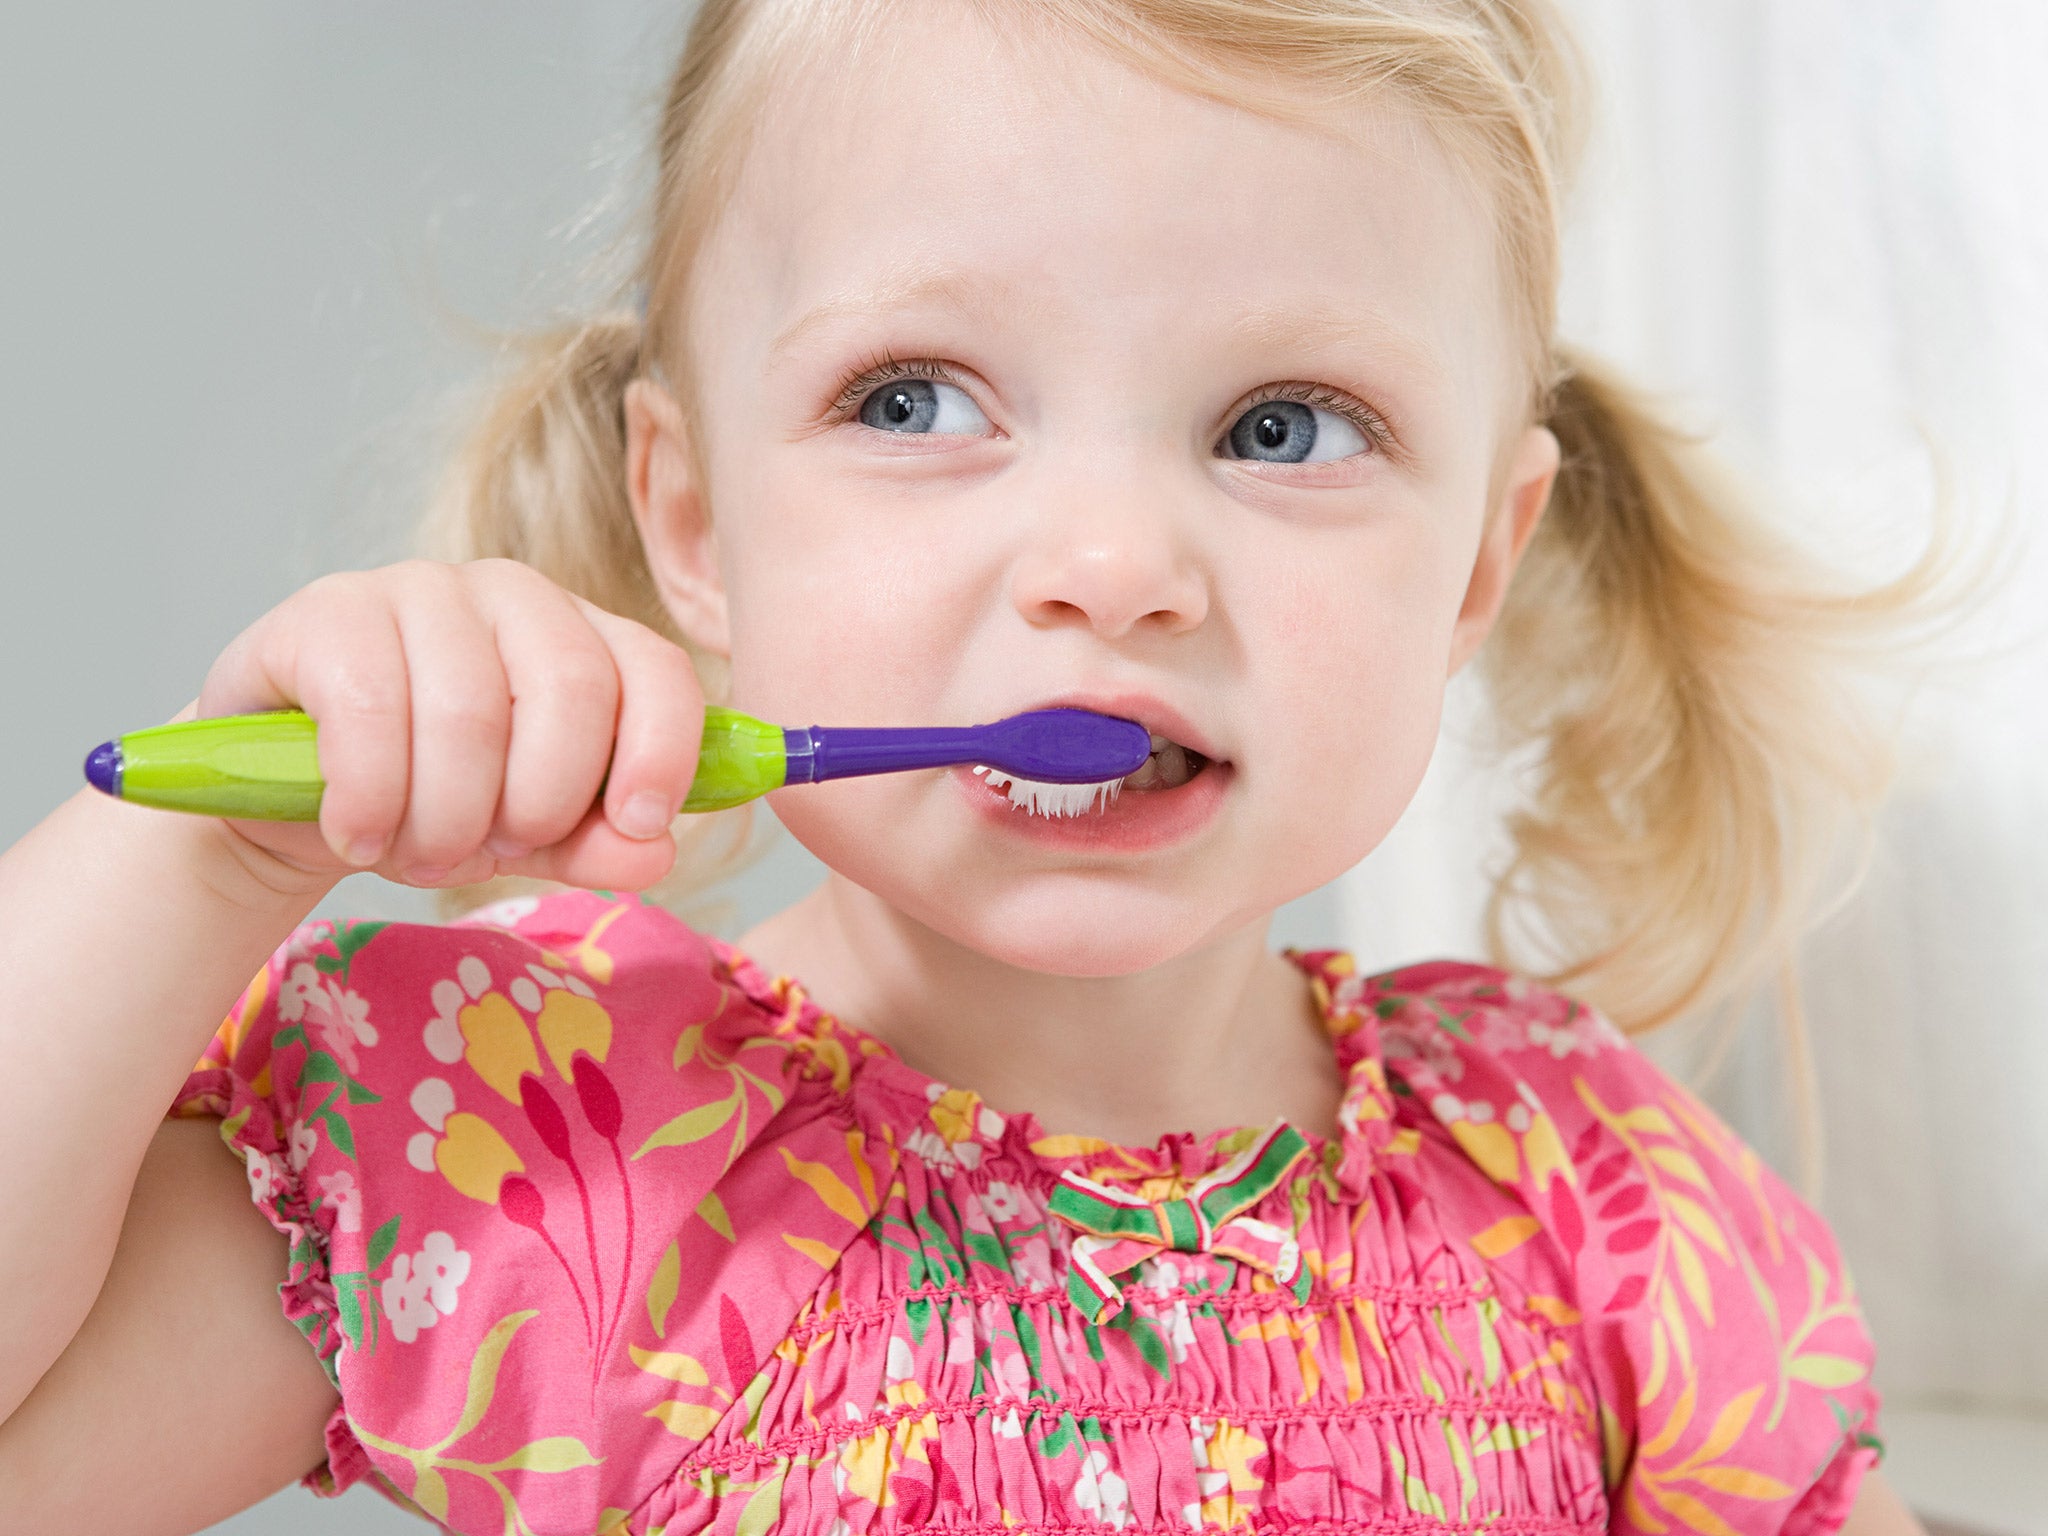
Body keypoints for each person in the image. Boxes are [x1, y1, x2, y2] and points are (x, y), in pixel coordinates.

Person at [0, 1, 1934, 1531]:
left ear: (1478, 567)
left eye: (1284, 427)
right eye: (915, 400)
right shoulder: (553, 1145)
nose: (1111, 570)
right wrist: (186, 867)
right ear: (692, 522)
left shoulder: (1588, 1189)